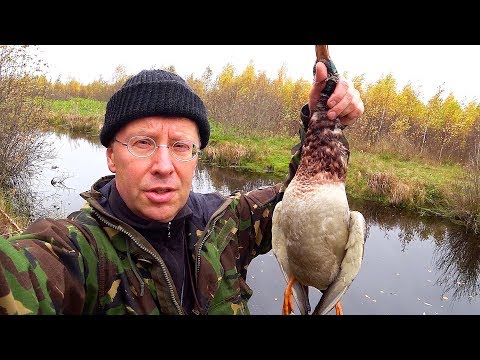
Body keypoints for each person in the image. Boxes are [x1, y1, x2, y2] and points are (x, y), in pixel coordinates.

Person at [0, 62, 363, 315]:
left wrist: (319, 119)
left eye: (180, 146)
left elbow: (301, 202)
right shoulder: (77, 251)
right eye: (143, 143)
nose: (163, 165)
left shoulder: (227, 224)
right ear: (112, 157)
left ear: (196, 157)